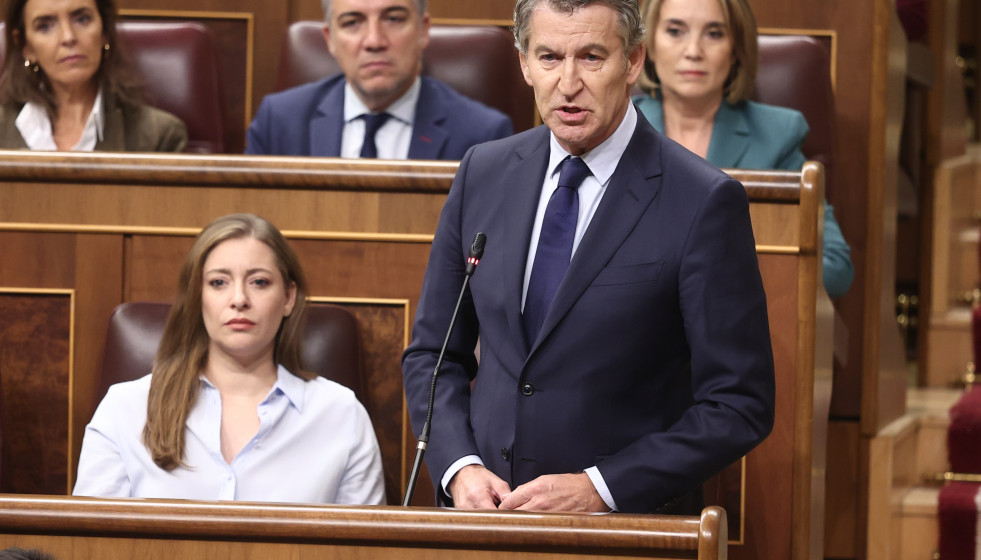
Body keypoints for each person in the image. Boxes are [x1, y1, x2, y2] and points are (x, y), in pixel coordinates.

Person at [402, 0, 774, 514]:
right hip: (486, 521)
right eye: (550, 57)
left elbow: (739, 405)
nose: (568, 82)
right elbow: (433, 356)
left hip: (628, 530)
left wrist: (603, 487)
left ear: (634, 61)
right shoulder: (482, 173)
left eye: (592, 57)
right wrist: (458, 466)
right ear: (524, 62)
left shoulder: (703, 201)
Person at [74, 213, 385, 505]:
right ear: (198, 296)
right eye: (219, 282)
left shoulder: (341, 415)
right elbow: (89, 544)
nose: (239, 299)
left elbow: (367, 549)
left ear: (289, 297)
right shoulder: (126, 409)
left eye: (259, 282)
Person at [633, 0, 854, 299]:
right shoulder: (616, 131)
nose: (694, 51)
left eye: (714, 34)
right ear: (650, 45)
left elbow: (835, 267)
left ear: (736, 48)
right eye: (675, 31)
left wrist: (726, 276)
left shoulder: (777, 137)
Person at [244, 0, 514, 159]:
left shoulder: (483, 137)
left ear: (423, 30)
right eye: (352, 22)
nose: (374, 41)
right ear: (330, 40)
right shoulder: (277, 122)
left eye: (393, 18)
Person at [0, 0, 187, 151]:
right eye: (45, 26)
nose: (68, 37)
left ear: (104, 32)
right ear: (26, 46)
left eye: (82, 19)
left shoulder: (159, 136)